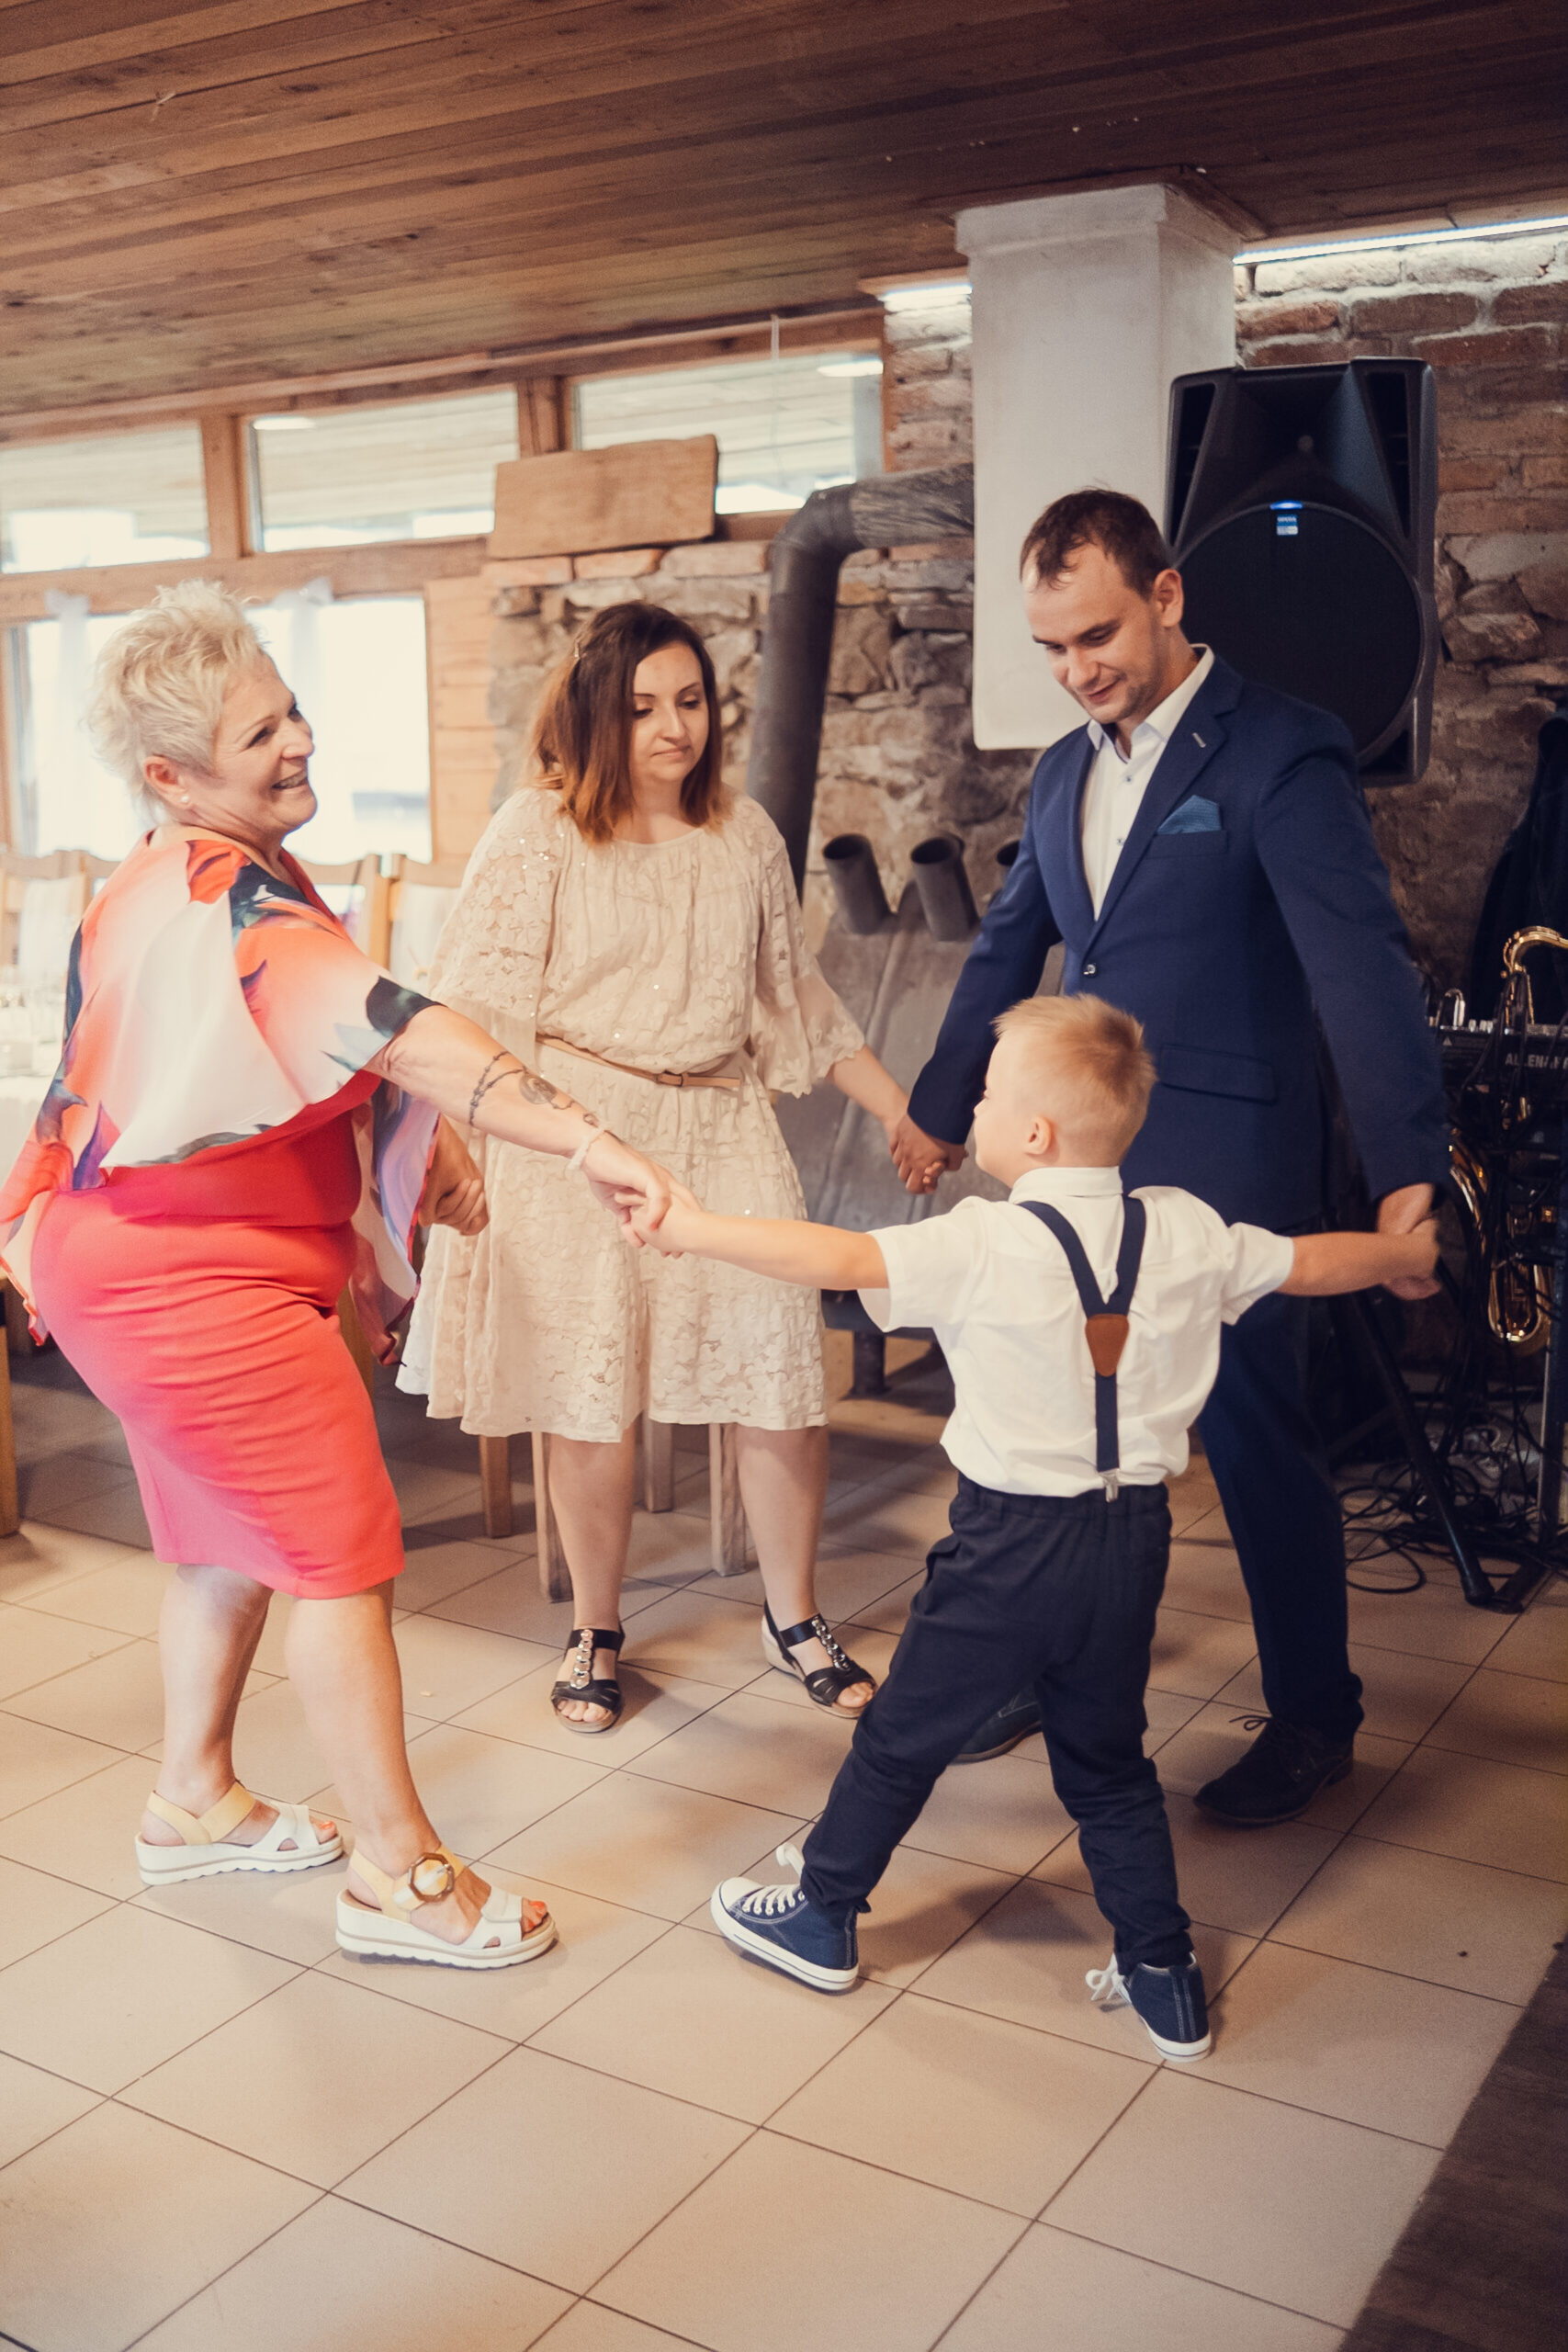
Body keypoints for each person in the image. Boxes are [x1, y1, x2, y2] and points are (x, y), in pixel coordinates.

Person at [0, 582, 681, 1972]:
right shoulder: (227, 900)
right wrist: (582, 1136)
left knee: (224, 1544)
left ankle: (192, 1802)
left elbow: (278, 1064)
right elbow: (393, 1027)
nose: (299, 742)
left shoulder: (167, 876)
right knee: (337, 1555)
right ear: (172, 775)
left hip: (132, 1262)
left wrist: (425, 1154)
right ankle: (396, 1875)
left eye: (293, 712)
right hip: (191, 1282)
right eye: (260, 734)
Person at [626, 994, 1439, 2052]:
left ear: (1038, 1133)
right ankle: (1163, 1969)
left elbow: (836, 1258)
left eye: (988, 1093)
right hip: (1132, 1541)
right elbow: (1307, 1261)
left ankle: (821, 1914)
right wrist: (1399, 1252)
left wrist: (689, 1229)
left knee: (900, 1738)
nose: (974, 1105)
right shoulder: (1183, 1227)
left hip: (1007, 1548)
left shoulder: (983, 1241)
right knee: (1108, 1763)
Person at [889, 489, 1449, 1822]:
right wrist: (938, 1103)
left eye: (1096, 636)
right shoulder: (1060, 772)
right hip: (1078, 1173)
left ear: (1166, 596)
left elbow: (1358, 966)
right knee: (1062, 1431)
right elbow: (1010, 945)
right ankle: (1052, 1664)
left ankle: (1313, 1715)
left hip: (1227, 1153)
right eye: (1052, 648)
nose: (1077, 670)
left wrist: (1403, 1168)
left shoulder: (1282, 749)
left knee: (1255, 1437)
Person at [402, 601, 909, 1730]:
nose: (674, 728)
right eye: (641, 709)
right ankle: (596, 1627)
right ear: (595, 714)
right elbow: (466, 1005)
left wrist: (898, 1112)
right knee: (591, 1395)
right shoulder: (538, 831)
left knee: (780, 1371)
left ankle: (795, 1616)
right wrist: (459, 1146)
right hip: (580, 1129)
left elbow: (795, 995)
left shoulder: (746, 835)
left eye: (689, 701)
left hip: (724, 1121)